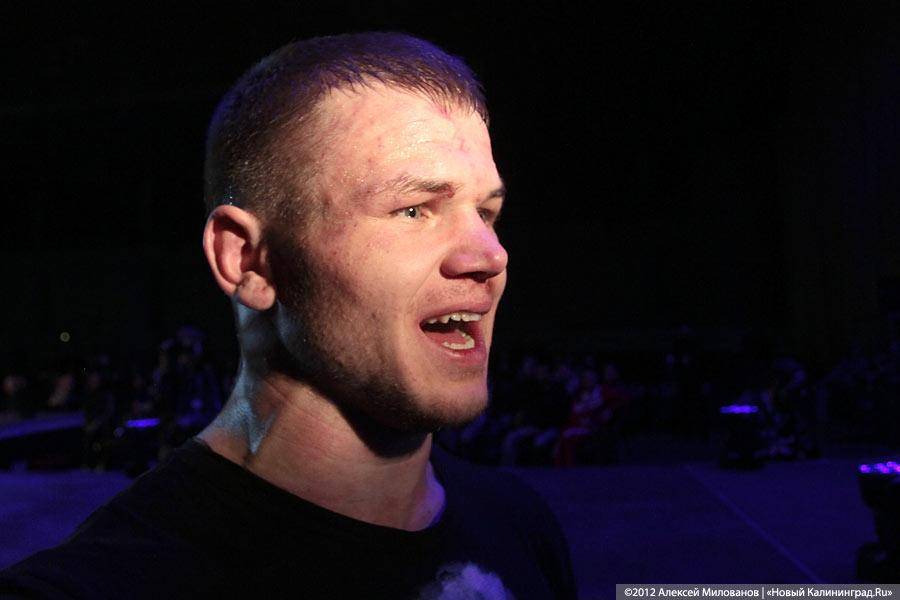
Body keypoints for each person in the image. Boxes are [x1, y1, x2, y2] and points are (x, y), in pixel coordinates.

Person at [0, 33, 576, 599]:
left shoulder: (520, 525)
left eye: (486, 212)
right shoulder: (103, 585)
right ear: (249, 260)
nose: (490, 256)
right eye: (413, 210)